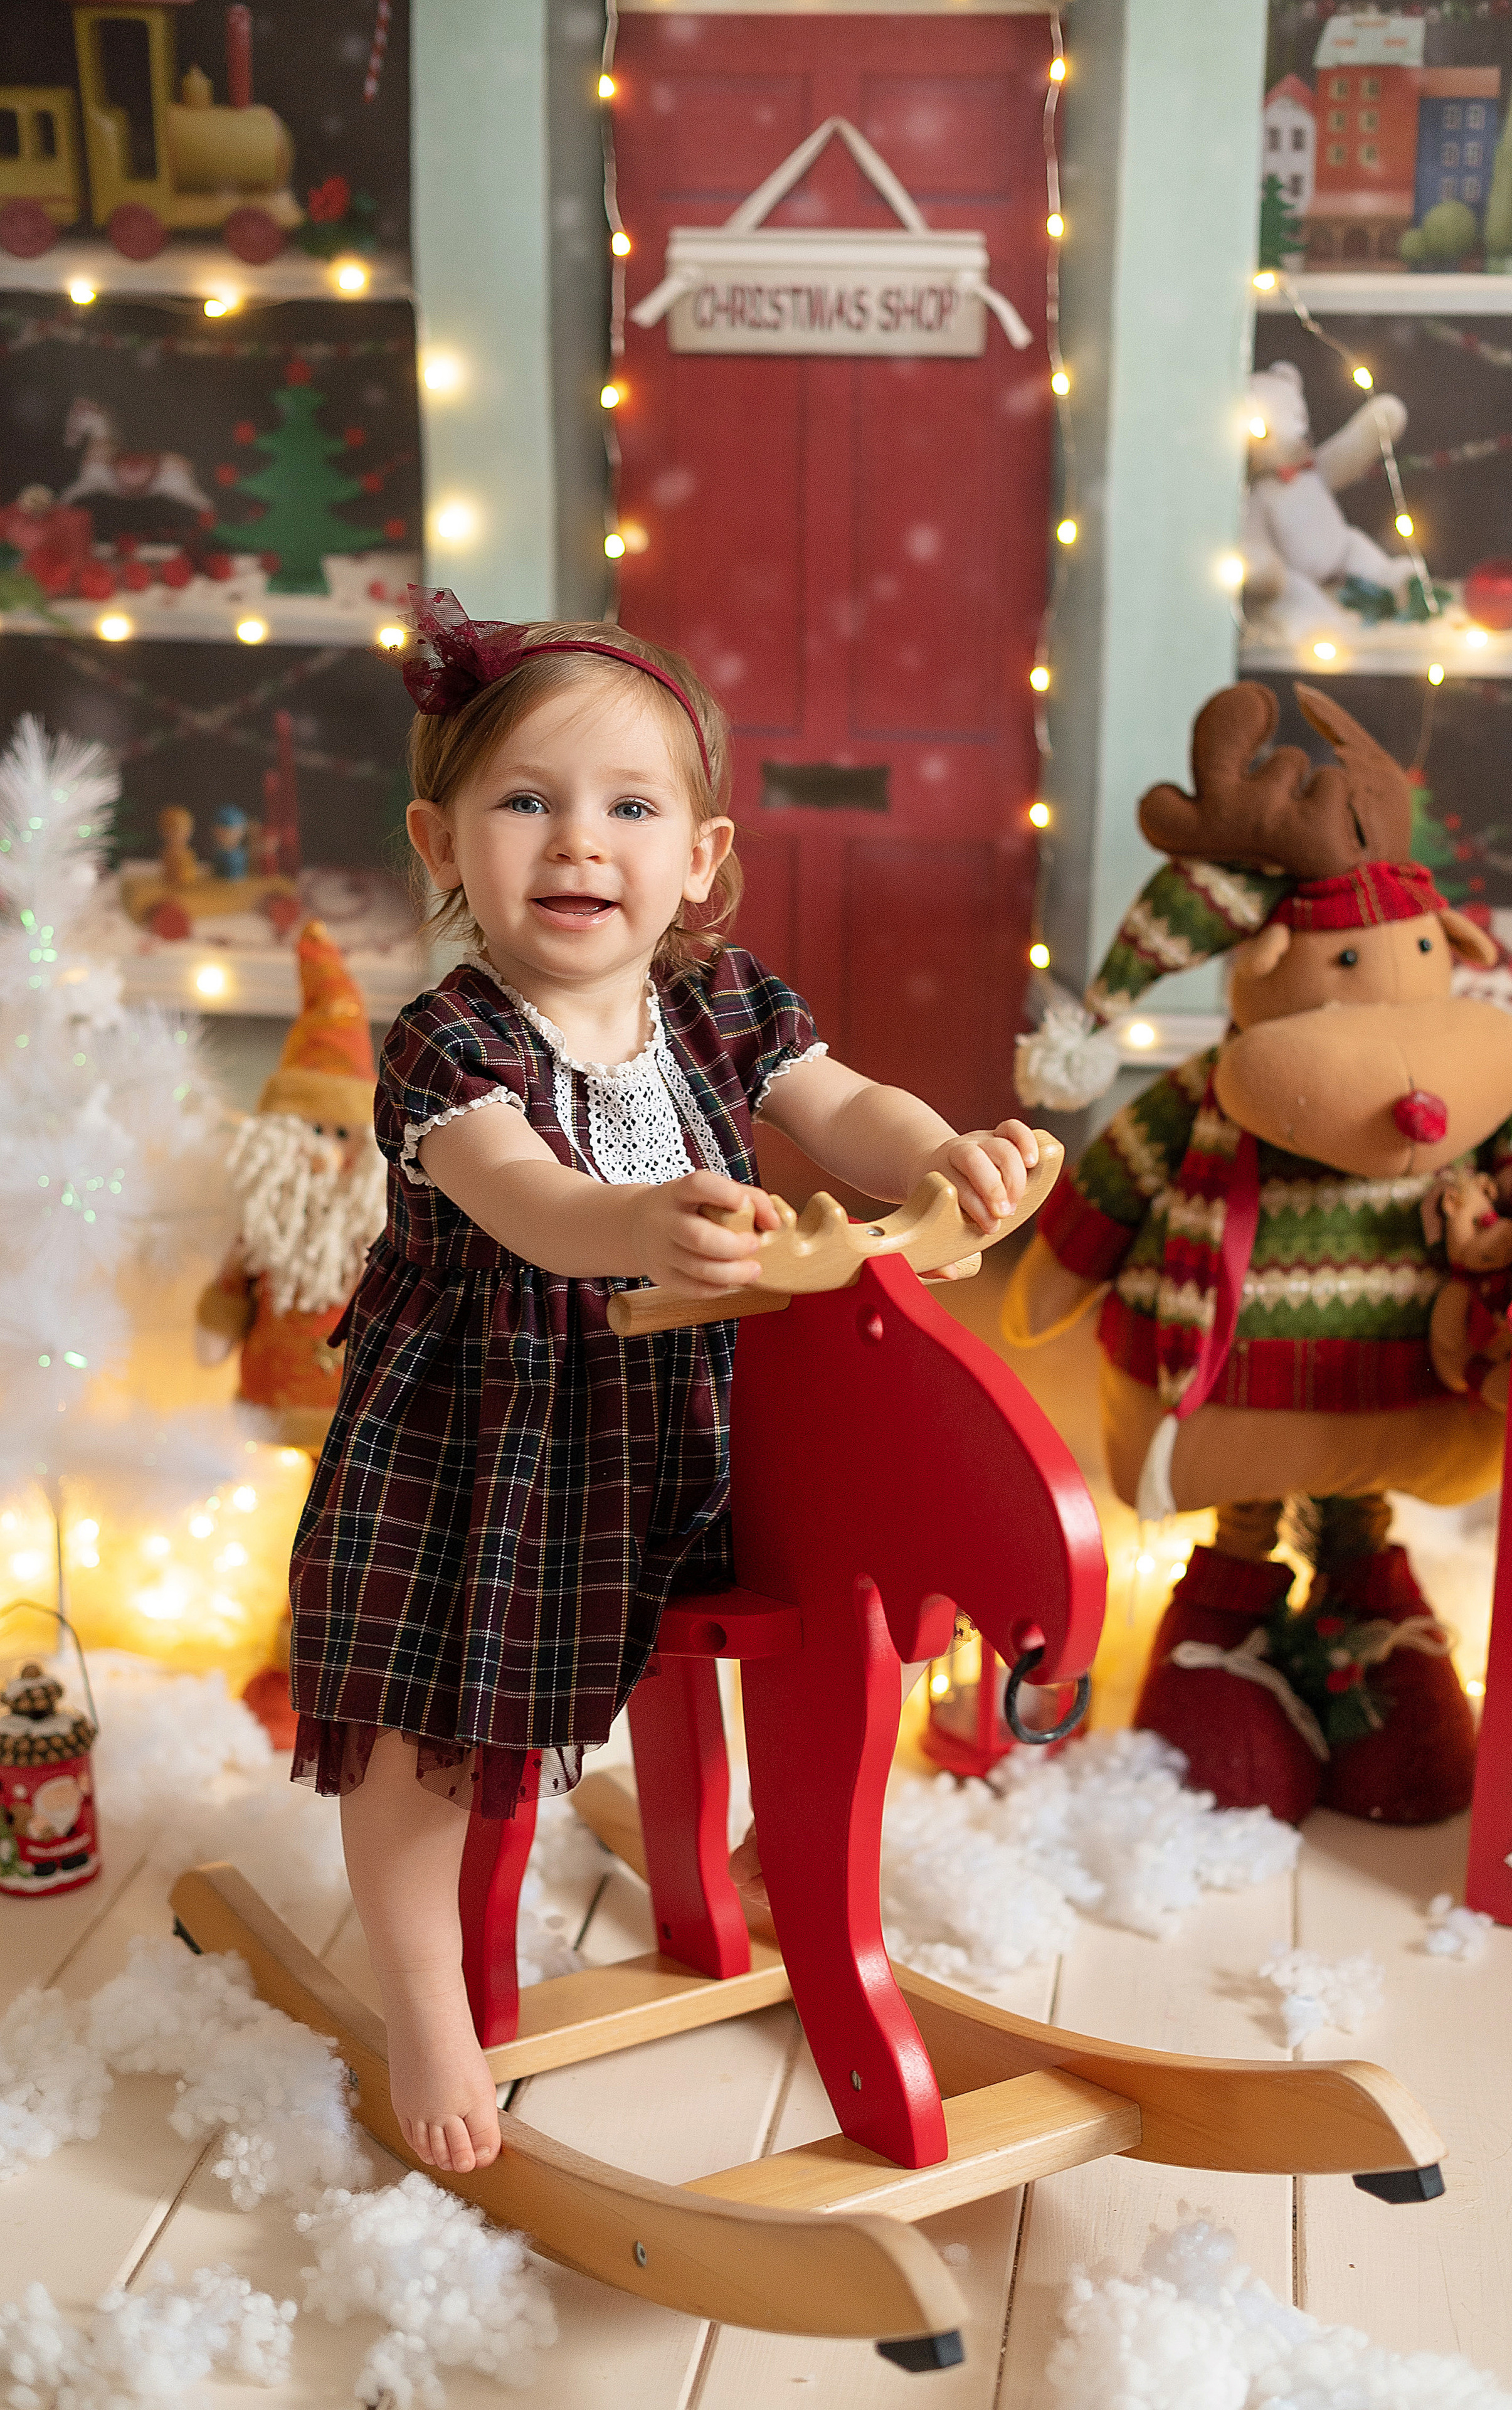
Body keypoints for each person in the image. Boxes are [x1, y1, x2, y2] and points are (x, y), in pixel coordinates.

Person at [288, 591, 1038, 2179]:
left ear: (696, 856)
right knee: (421, 1729)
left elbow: (847, 1103)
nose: (579, 843)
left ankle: (777, 1854)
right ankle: (420, 1987)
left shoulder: (722, 1001)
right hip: (493, 1444)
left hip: (706, 1421)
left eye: (630, 806)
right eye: (524, 801)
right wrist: (637, 1221)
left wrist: (944, 1155)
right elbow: (525, 1200)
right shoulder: (449, 1042)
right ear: (441, 842)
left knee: (853, 1588)